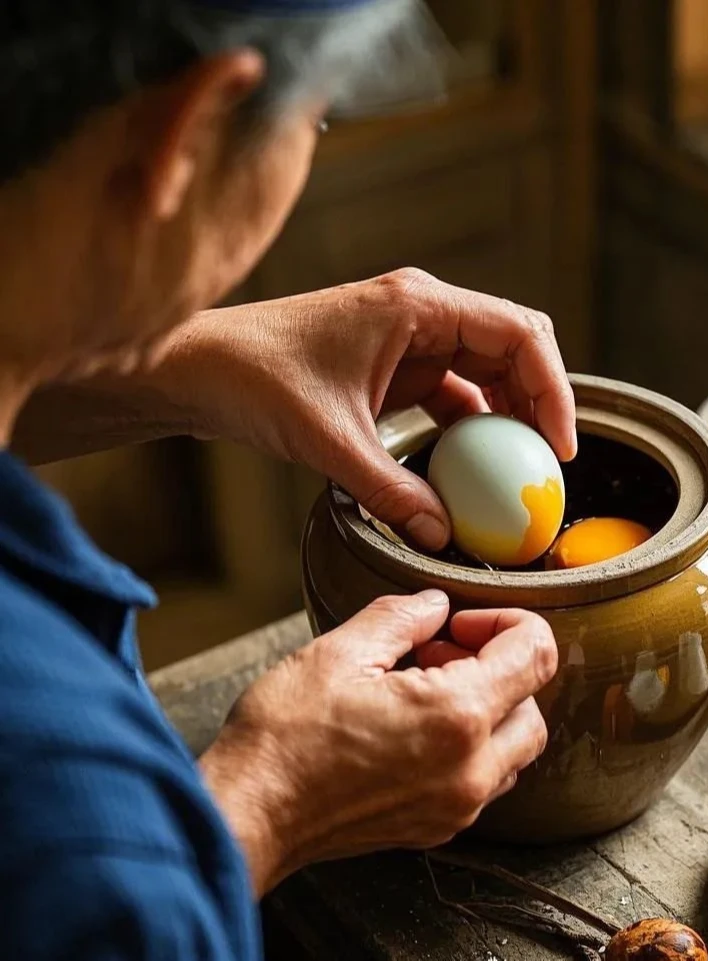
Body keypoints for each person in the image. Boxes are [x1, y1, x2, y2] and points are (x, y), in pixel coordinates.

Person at [0, 1, 578, 958]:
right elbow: (95, 911)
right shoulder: (65, 806)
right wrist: (270, 799)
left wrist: (190, 358)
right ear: (191, 132)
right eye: (310, 120)